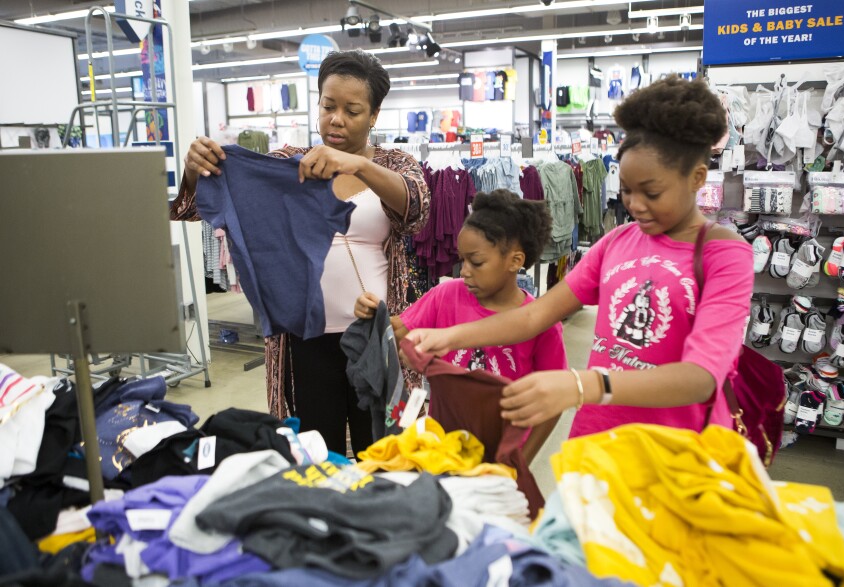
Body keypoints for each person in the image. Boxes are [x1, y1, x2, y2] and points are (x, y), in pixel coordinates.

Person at [407, 76, 754, 438]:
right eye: (627, 191)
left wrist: (580, 385)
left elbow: (700, 379)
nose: (634, 205)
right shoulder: (618, 241)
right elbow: (535, 315)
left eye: (651, 192)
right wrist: (449, 338)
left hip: (677, 452)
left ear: (698, 178)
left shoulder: (724, 255)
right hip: (598, 439)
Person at [170, 50, 430, 455]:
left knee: (382, 448)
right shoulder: (287, 166)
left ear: (374, 115)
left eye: (352, 110)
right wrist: (194, 168)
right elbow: (190, 208)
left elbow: (416, 208)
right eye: (328, 106)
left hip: (379, 333)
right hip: (304, 338)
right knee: (315, 451)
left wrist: (355, 165)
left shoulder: (394, 164)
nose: (336, 119)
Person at [355, 189, 567, 453]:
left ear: (515, 261)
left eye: (476, 262)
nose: (464, 271)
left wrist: (521, 459)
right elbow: (394, 331)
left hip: (501, 451)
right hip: (443, 448)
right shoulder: (446, 295)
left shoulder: (542, 324)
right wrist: (373, 313)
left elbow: (554, 401)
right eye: (462, 260)